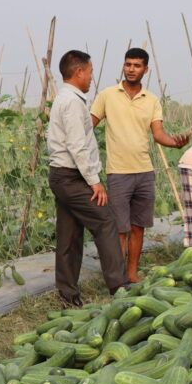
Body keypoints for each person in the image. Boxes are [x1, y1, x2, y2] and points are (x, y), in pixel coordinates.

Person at [91, 48, 191, 282]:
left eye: (136, 65)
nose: (131, 69)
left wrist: (176, 143)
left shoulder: (152, 100)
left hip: (144, 172)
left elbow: (158, 134)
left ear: (146, 69)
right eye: (128, 65)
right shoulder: (107, 95)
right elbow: (89, 125)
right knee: (120, 229)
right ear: (123, 67)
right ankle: (117, 278)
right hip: (118, 172)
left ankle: (132, 273)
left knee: (138, 227)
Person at [46, 50, 128, 308]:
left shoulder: (67, 99)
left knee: (69, 235)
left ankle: (68, 295)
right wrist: (94, 181)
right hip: (71, 177)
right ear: (79, 71)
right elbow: (76, 145)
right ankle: (119, 287)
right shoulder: (71, 102)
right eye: (90, 71)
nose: (92, 76)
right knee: (106, 221)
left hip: (64, 176)